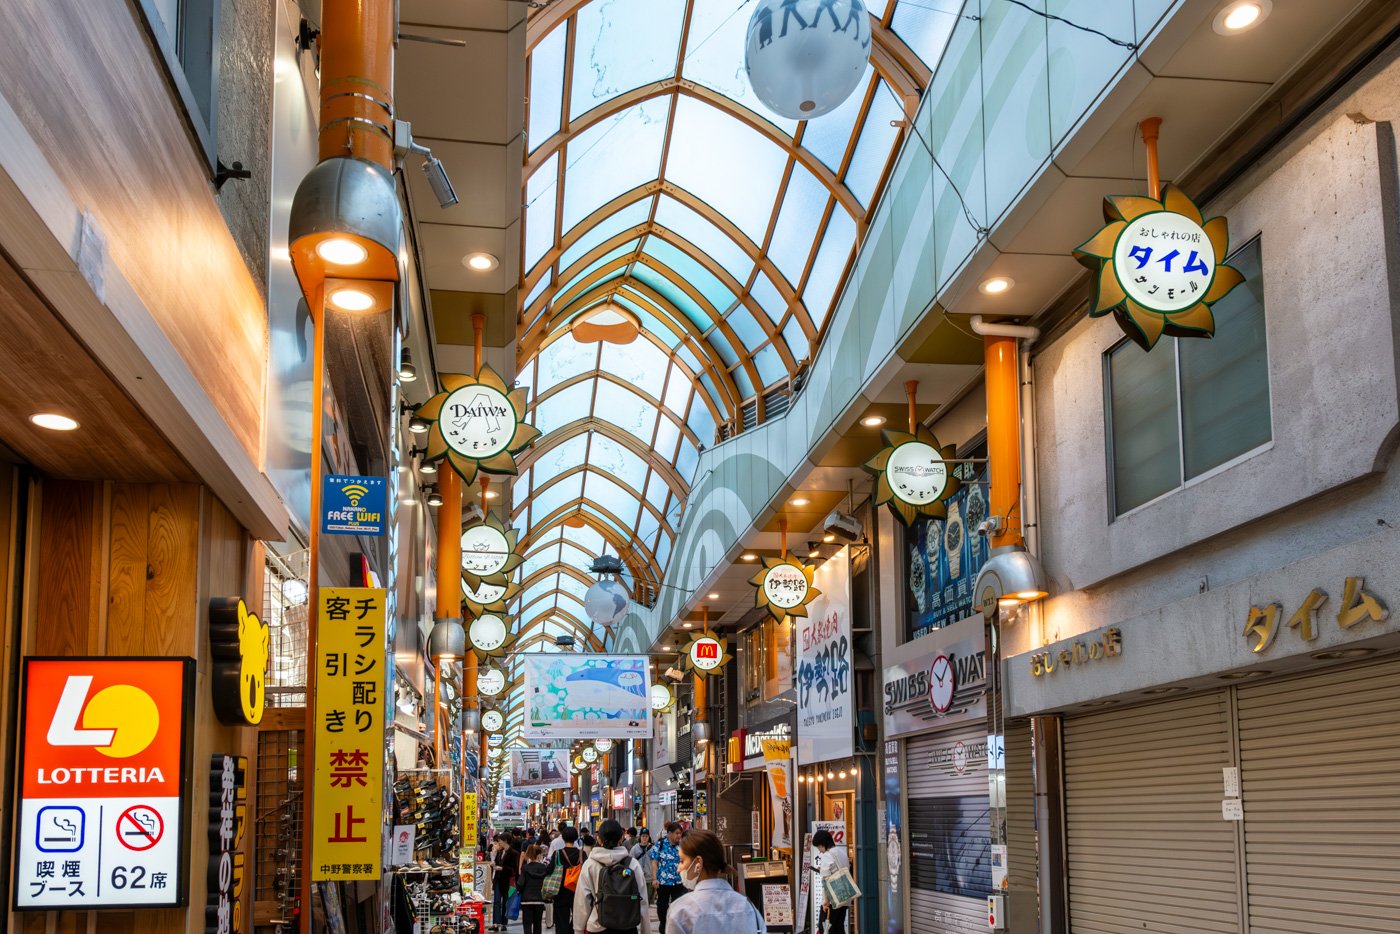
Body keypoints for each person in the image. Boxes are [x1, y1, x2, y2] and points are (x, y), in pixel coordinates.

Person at [663, 829, 765, 934]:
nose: (678, 869)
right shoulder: (747, 906)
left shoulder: (681, 910)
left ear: (698, 862)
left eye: (682, 861)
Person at [573, 819, 652, 934]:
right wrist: (646, 931)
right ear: (621, 839)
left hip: (597, 926)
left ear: (598, 839)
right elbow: (643, 901)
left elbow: (582, 902)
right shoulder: (633, 864)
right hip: (628, 927)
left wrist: (578, 930)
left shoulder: (590, 865)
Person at [648, 821, 686, 930]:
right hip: (663, 882)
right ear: (669, 833)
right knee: (662, 906)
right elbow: (654, 862)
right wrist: (654, 878)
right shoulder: (660, 845)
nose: (679, 836)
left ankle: (675, 927)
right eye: (677, 833)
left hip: (678, 882)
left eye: (680, 833)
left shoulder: (682, 846)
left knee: (677, 906)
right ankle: (663, 925)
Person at [812, 829, 851, 934]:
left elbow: (826, 881)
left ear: (824, 843)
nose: (820, 850)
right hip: (844, 899)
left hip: (832, 901)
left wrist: (826, 902)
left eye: (819, 847)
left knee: (825, 929)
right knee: (838, 929)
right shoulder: (842, 853)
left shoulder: (827, 856)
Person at [550, 825, 584, 932]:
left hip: (560, 892)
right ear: (576, 838)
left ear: (563, 838)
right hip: (577, 891)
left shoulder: (557, 854)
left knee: (560, 920)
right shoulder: (582, 854)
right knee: (578, 918)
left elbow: (549, 870)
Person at [519, 844, 552, 934]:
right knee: (538, 925)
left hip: (526, 900)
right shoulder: (543, 868)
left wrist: (520, 891)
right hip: (539, 899)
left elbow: (520, 884)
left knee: (527, 925)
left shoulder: (525, 868)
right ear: (538, 855)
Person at [491, 832, 520, 933]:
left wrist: (502, 868)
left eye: (500, 841)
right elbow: (496, 863)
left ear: (506, 841)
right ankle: (495, 923)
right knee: (496, 902)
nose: (499, 843)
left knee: (505, 903)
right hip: (498, 880)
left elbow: (514, 870)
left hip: (508, 881)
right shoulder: (500, 852)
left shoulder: (514, 853)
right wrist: (493, 864)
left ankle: (503, 923)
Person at [630, 829, 654, 896]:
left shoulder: (653, 849)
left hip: (649, 878)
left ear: (649, 837)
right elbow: (630, 863)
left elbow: (656, 863)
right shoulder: (634, 849)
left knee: (648, 900)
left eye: (646, 836)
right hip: (638, 878)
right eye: (643, 836)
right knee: (638, 899)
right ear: (640, 837)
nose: (644, 838)